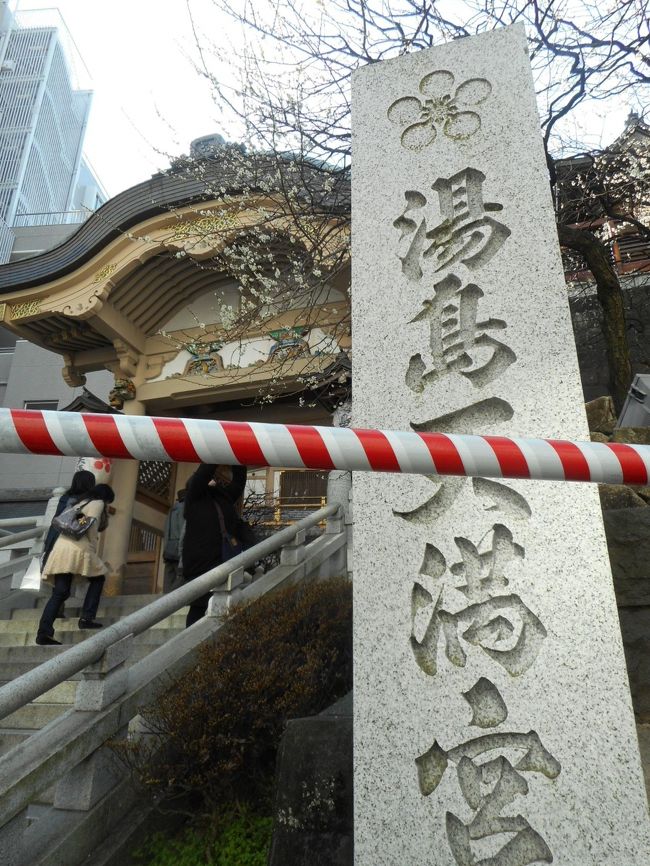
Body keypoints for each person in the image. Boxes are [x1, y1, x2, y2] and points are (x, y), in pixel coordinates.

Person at [35, 484, 115, 646]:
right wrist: (92, 547)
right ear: (105, 497)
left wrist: (81, 521)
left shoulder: (80, 502)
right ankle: (86, 618)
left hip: (61, 549)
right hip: (79, 549)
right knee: (98, 578)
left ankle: (44, 632)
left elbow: (79, 519)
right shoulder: (98, 504)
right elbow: (90, 528)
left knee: (60, 593)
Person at [182, 464, 247, 628]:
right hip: (201, 567)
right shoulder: (194, 498)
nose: (212, 480)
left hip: (221, 561)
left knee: (223, 612)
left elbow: (238, 483)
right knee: (198, 610)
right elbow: (203, 474)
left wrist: (238, 459)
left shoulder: (223, 499)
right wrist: (217, 450)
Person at [41, 469, 96, 620]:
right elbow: (82, 523)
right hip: (71, 548)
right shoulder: (84, 502)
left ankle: (56, 613)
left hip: (55, 545)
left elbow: (56, 521)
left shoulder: (64, 499)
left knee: (61, 587)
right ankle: (46, 625)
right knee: (63, 588)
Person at [162, 488, 185, 593]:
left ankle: (164, 599)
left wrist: (165, 548)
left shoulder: (171, 510)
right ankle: (172, 599)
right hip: (178, 546)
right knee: (180, 576)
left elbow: (166, 531)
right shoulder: (185, 509)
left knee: (168, 576)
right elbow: (183, 530)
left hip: (169, 547)